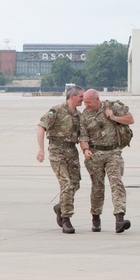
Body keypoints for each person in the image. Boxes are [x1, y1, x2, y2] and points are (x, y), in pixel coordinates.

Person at [79, 89, 134, 233]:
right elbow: (83, 137)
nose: (87, 105)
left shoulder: (112, 107)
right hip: (95, 154)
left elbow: (130, 119)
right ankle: (96, 218)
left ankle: (119, 219)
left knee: (117, 183)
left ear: (97, 100)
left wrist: (114, 118)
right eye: (85, 102)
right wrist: (85, 150)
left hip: (113, 153)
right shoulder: (84, 116)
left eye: (89, 102)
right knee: (97, 188)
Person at [36, 85, 84, 234]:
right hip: (57, 151)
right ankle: (66, 218)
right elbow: (41, 127)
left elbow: (83, 135)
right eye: (81, 96)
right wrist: (41, 149)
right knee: (67, 184)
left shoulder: (79, 115)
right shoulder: (56, 110)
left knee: (75, 184)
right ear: (72, 97)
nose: (83, 99)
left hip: (72, 151)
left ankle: (60, 207)